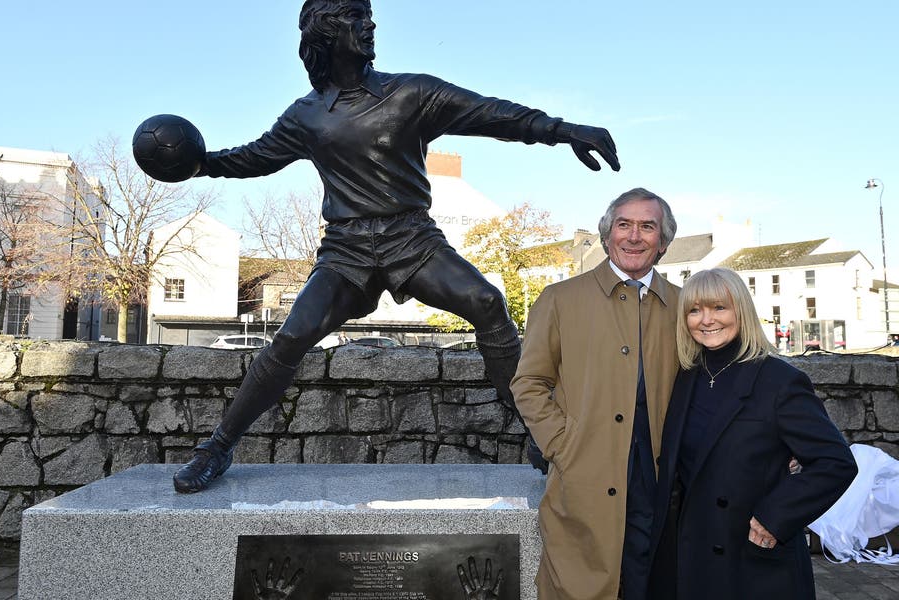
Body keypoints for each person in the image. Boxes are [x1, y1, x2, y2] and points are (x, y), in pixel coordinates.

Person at [172, 0, 621, 493]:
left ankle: (538, 429)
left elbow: (494, 115)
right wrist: (199, 164)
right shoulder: (305, 116)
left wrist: (564, 131)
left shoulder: (413, 93)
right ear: (325, 30)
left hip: (412, 239)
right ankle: (216, 446)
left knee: (488, 303)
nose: (370, 25)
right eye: (354, 17)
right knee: (293, 335)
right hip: (346, 250)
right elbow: (255, 157)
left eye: (368, 15)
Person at [646, 268, 858, 600]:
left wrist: (776, 516)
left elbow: (835, 462)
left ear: (740, 311)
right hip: (690, 552)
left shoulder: (779, 379)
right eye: (695, 310)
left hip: (750, 557)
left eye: (719, 308)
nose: (706, 319)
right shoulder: (686, 376)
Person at [512, 188, 679, 600]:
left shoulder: (684, 303)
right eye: (624, 225)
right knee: (578, 584)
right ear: (607, 236)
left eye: (647, 226)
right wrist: (562, 444)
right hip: (582, 475)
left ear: (663, 241)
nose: (634, 236)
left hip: (659, 481)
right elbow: (529, 382)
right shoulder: (560, 299)